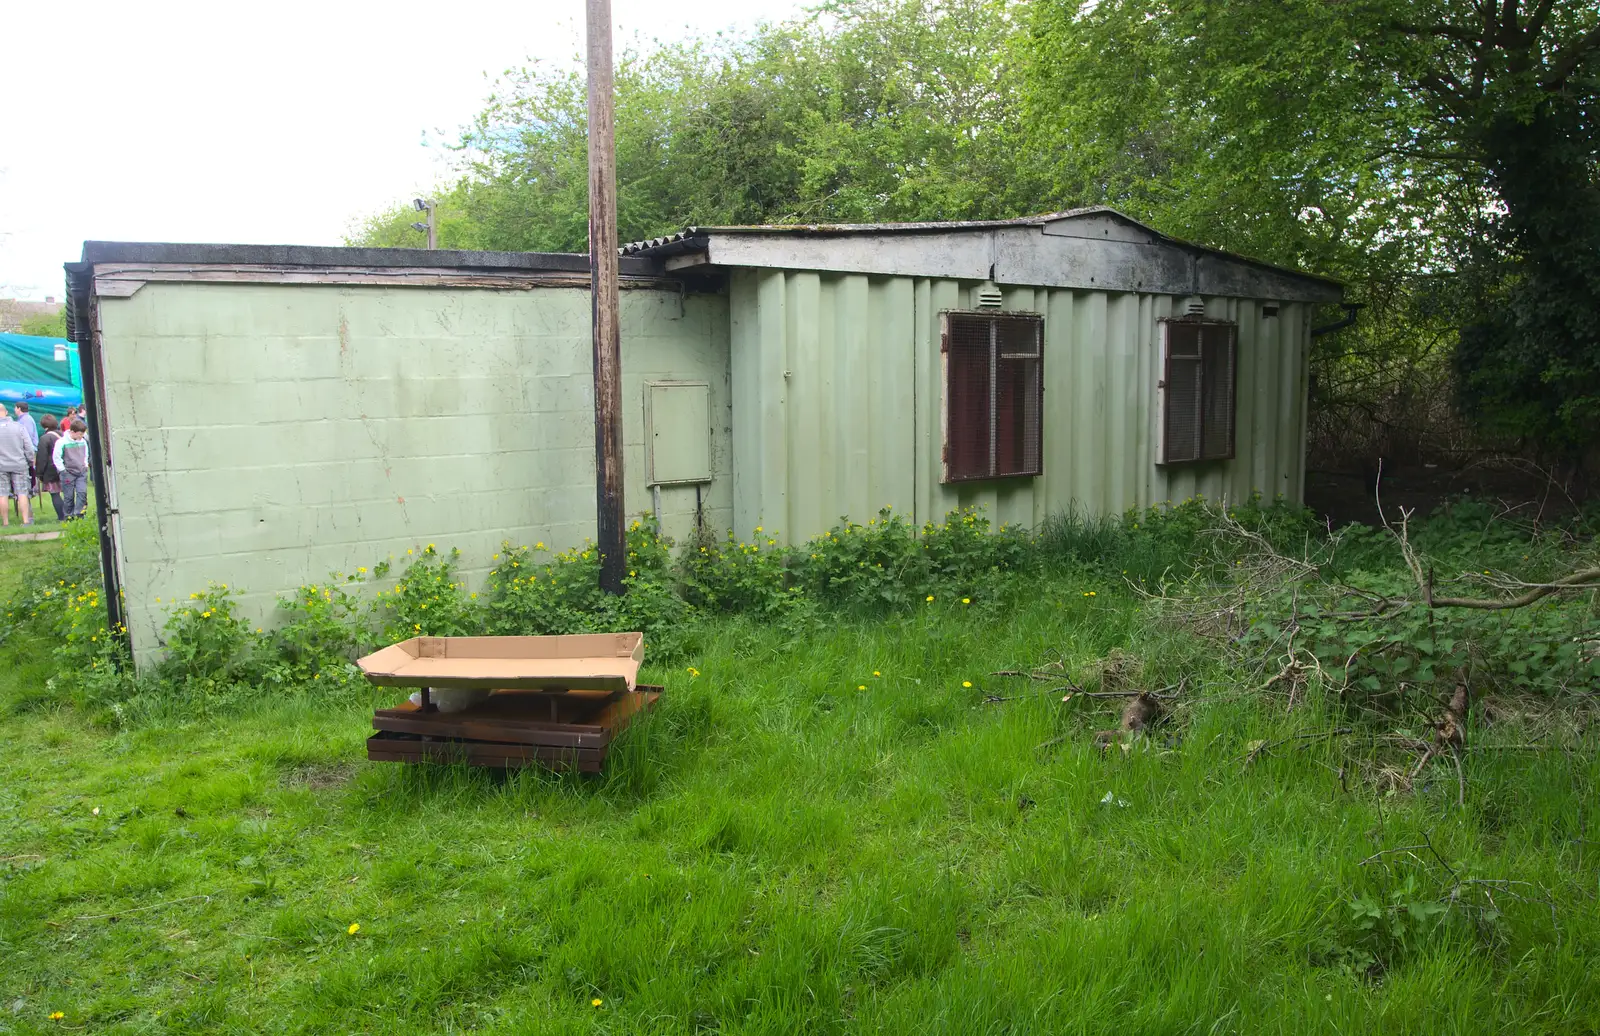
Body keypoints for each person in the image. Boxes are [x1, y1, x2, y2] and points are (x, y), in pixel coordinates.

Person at [0, 404, 36, 527]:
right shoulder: (19, 427)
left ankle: (5, 523)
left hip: (1, 466)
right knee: (22, 493)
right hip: (19, 464)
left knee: (2, 494)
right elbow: (29, 447)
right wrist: (31, 460)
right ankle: (26, 520)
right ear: (6, 412)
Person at [54, 418, 89, 521]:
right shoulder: (62, 442)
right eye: (79, 434)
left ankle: (79, 515)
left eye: (82, 434)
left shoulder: (82, 441)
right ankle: (68, 516)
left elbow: (85, 455)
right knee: (68, 497)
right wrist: (62, 470)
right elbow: (57, 457)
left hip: (81, 471)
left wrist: (85, 465)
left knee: (82, 493)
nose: (81, 436)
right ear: (72, 432)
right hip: (68, 472)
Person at [36, 414, 64, 521]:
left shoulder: (44, 438)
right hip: (64, 468)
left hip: (51, 471)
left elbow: (41, 458)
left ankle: (62, 517)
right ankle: (71, 514)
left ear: (44, 426)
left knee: (55, 494)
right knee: (67, 494)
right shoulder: (63, 435)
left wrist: (39, 473)